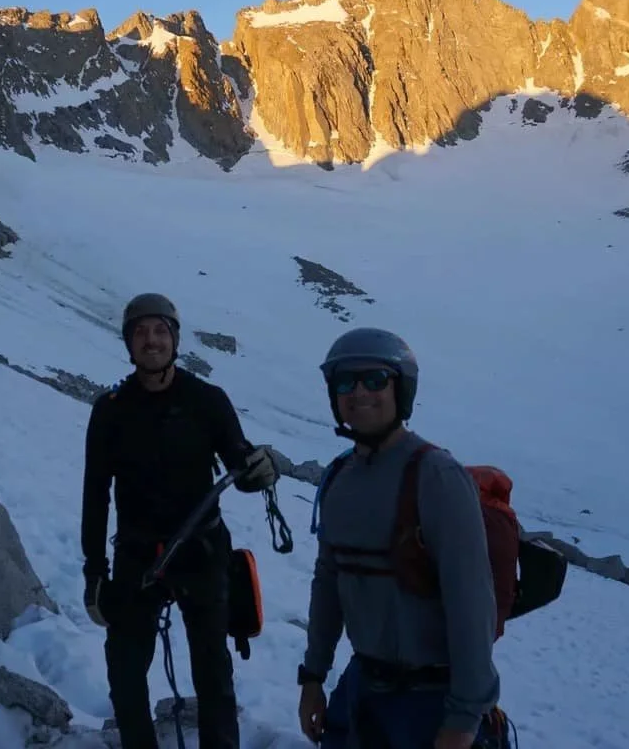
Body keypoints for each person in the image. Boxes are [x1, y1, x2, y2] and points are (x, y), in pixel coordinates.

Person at [80, 292, 279, 749]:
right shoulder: (110, 410)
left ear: (174, 339)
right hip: (137, 554)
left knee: (213, 671)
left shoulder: (206, 400)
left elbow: (238, 460)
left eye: (160, 331)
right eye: (140, 332)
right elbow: (95, 495)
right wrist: (94, 571)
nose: (151, 340)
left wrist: (256, 469)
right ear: (128, 342)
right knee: (125, 670)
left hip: (201, 552)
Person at [298, 328, 507, 749]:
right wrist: (314, 677)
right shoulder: (339, 479)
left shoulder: (437, 476)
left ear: (402, 390)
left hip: (432, 701)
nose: (359, 392)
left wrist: (464, 718)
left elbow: (471, 602)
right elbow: (328, 584)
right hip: (362, 688)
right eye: (345, 382)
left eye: (375, 379)